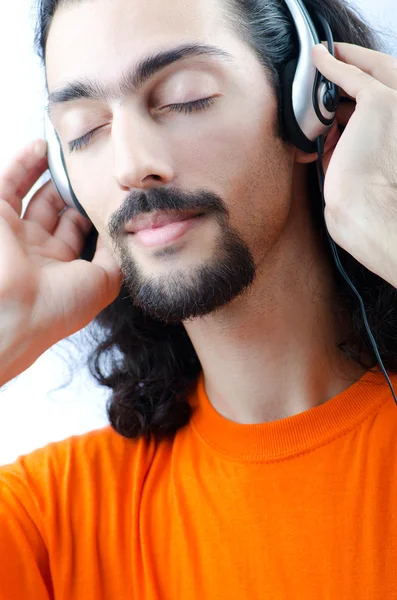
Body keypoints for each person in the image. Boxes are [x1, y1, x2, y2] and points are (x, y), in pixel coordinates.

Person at [0, 0, 397, 596]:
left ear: (313, 103)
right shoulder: (49, 520)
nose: (130, 166)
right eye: (85, 131)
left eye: (184, 96)